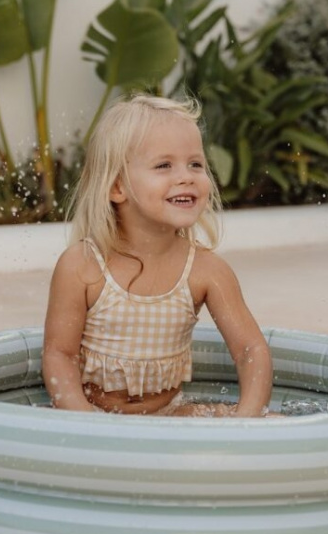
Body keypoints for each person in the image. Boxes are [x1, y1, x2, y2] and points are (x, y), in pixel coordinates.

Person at [42, 94, 274, 417]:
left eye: (195, 164)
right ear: (117, 187)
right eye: (164, 165)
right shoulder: (82, 266)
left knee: (278, 422)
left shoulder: (207, 271)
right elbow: (59, 356)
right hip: (93, 416)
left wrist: (244, 423)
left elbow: (252, 350)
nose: (186, 176)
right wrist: (87, 425)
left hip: (169, 416)